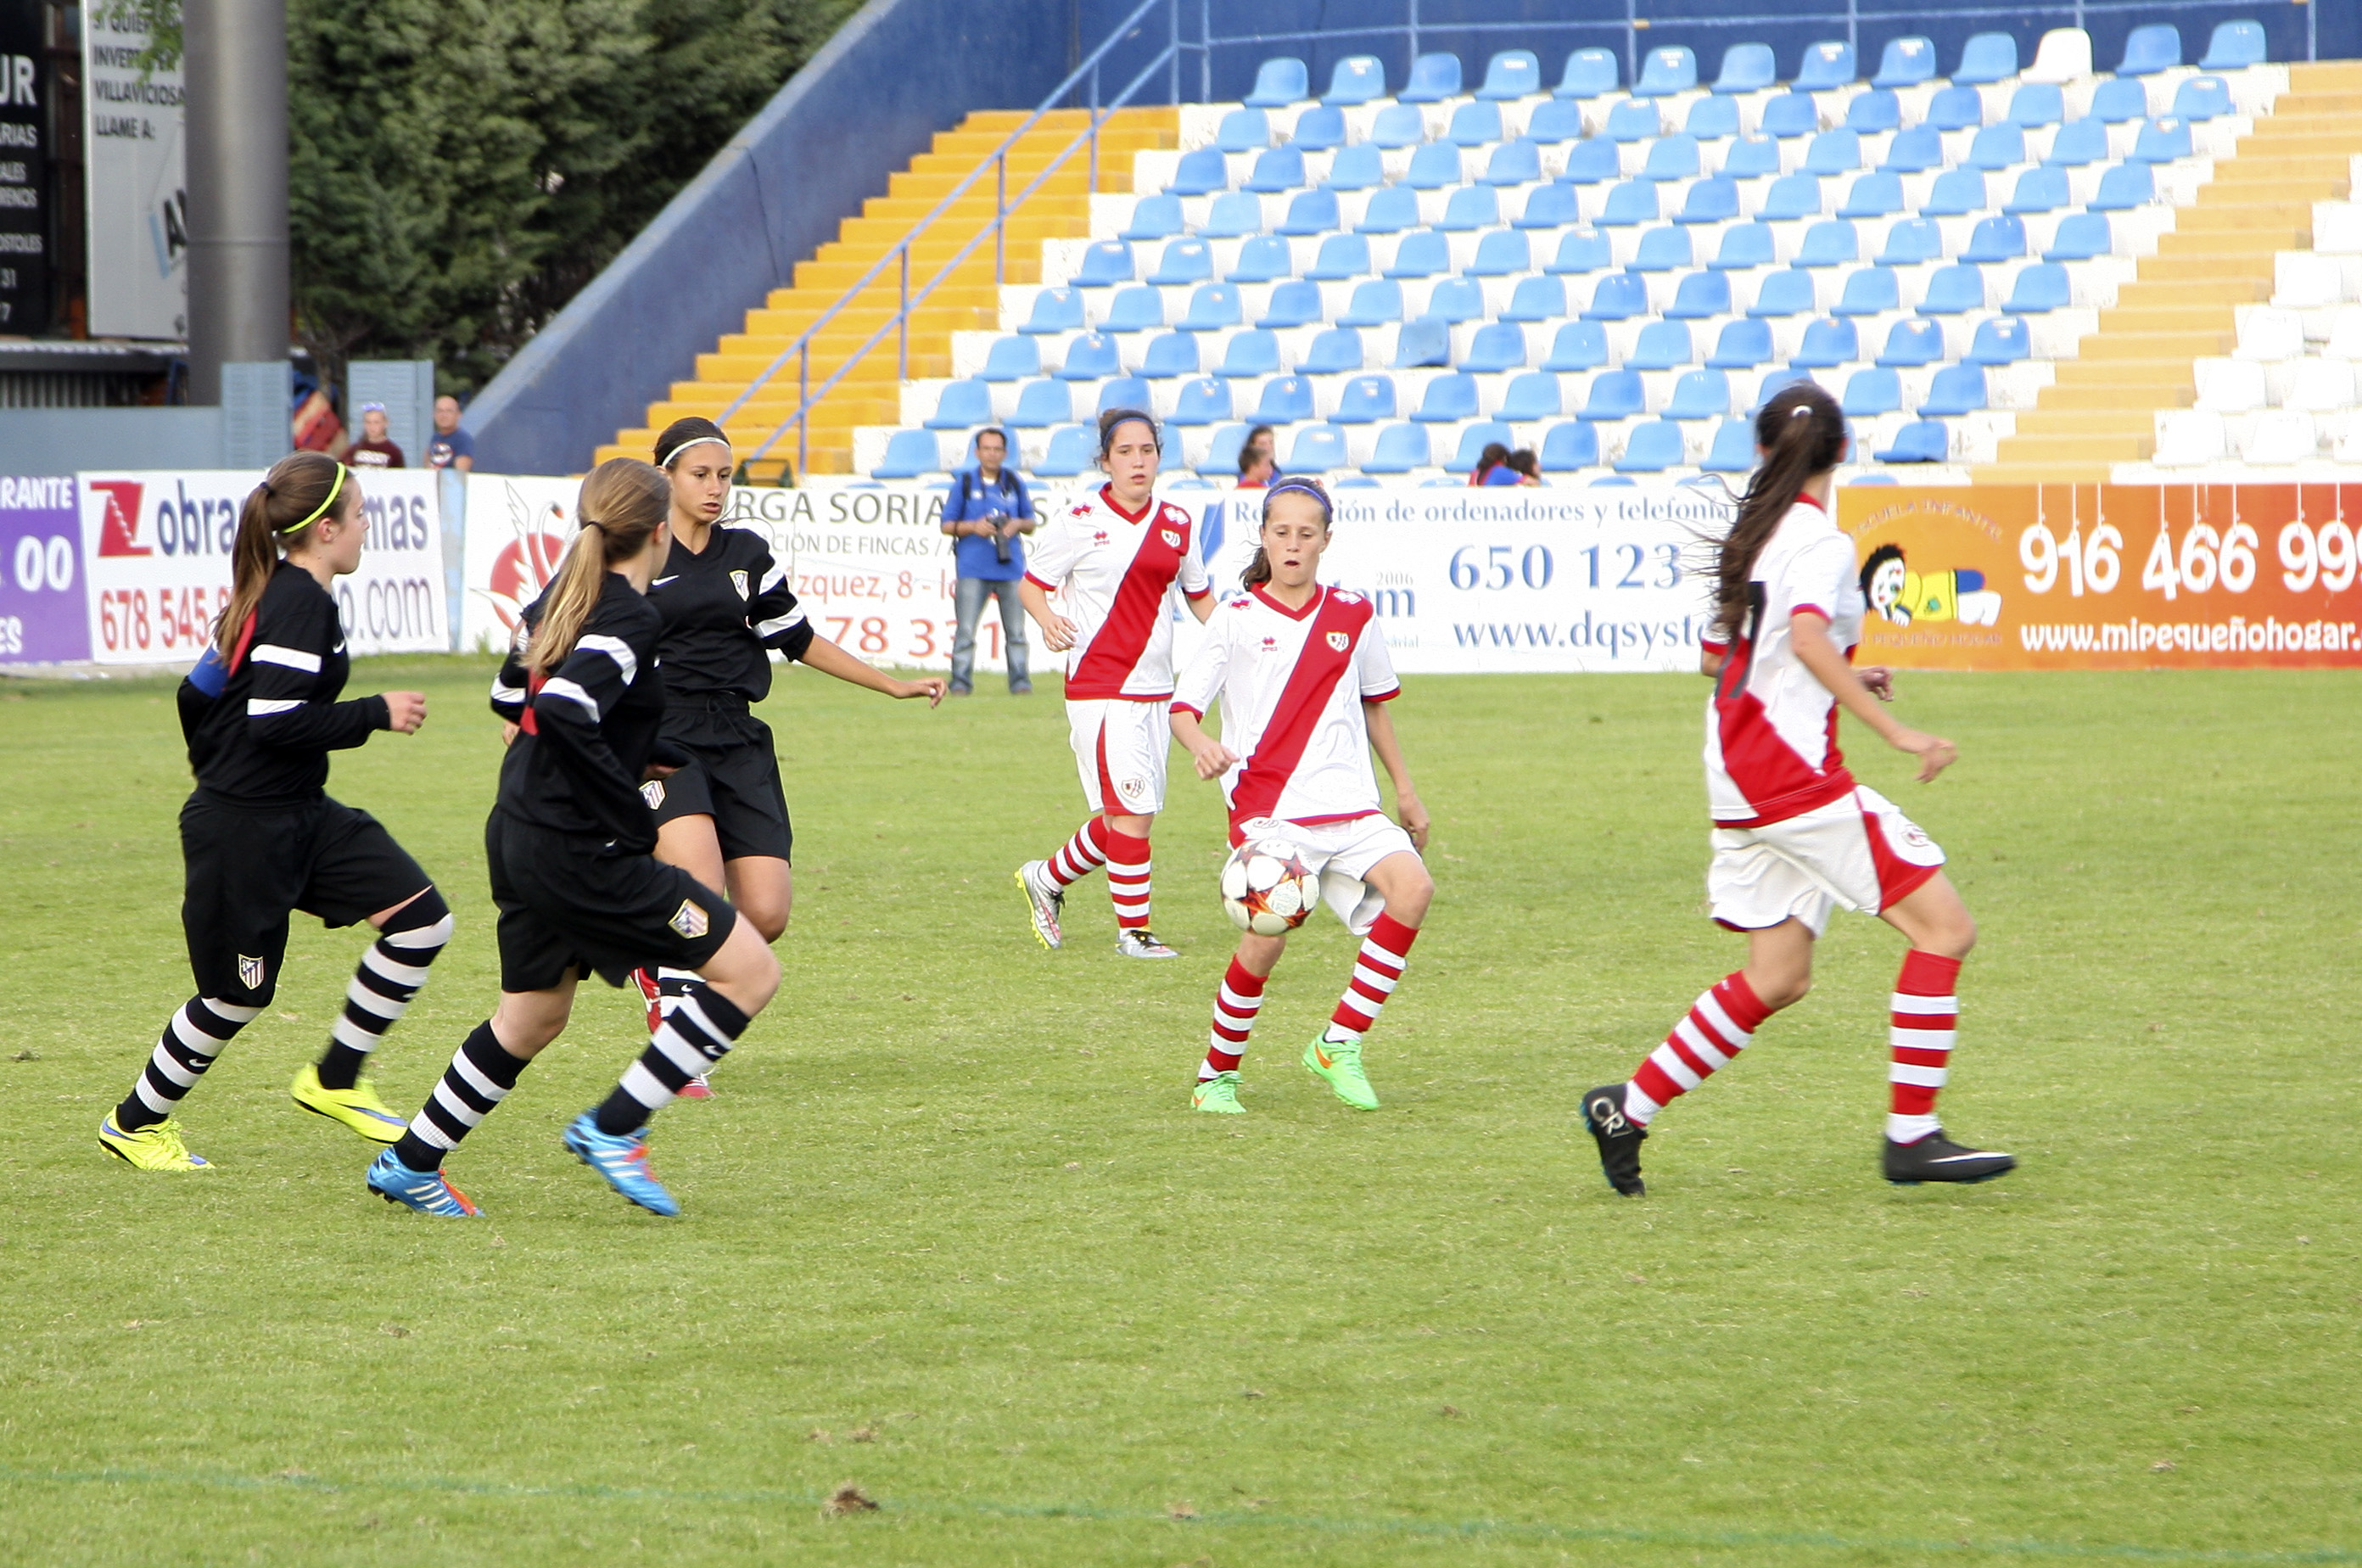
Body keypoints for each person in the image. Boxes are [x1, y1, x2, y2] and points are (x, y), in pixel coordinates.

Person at [1578, 384, 2012, 1196]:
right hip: (1789, 777)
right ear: (1843, 453)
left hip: (1736, 774)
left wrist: (1843, 675)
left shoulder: (1757, 536)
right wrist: (1898, 732)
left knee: (1778, 976)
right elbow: (1806, 636)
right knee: (1944, 930)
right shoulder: (1819, 541)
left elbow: (1723, 657)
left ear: (1764, 452)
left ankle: (1625, 1109)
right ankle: (1911, 1136)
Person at [366, 460, 782, 1218]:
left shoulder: (557, 598)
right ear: (659, 532)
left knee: (532, 1016)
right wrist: (624, 804)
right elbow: (562, 709)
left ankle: (410, 1160)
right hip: (581, 849)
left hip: (519, 833)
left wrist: (636, 746)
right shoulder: (629, 615)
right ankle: (615, 1128)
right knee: (750, 973)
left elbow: (509, 695)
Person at [98, 452, 445, 1172]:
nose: (366, 526)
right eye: (359, 514)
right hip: (244, 829)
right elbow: (275, 721)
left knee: (421, 919)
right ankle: (134, 1124)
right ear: (325, 532)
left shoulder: (269, 593)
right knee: (233, 996)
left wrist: (218, 764)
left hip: (297, 812)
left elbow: (195, 696)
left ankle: (336, 1078)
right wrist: (374, 712)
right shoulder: (296, 602)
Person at [633, 417, 944, 1095]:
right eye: (700, 474)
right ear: (666, 478)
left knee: (767, 913)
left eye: (724, 475)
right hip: (662, 739)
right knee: (699, 881)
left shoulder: (746, 553)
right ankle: (677, 1037)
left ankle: (661, 960)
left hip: (738, 737)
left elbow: (797, 639)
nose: (716, 488)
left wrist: (892, 683)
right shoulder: (635, 553)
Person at [1169, 478, 1432, 1115]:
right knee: (1267, 939)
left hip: (1351, 803)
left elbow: (1376, 708)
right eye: (1280, 532)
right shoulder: (1234, 619)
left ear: (1325, 541)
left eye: (1305, 534)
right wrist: (1202, 744)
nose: (1292, 544)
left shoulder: (1354, 613)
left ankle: (1338, 1044)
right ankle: (1216, 1078)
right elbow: (1182, 709)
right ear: (1264, 536)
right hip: (1271, 811)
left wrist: (1405, 789)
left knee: (1415, 889)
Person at [1013, 408, 1213, 959]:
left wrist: (1232, 640)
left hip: (1156, 690)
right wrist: (1048, 619)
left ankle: (1046, 878)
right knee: (1135, 813)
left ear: (1159, 456)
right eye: (1125, 452)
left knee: (1124, 815)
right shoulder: (1078, 518)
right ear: (1105, 460)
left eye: (1147, 450)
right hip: (1101, 687)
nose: (1137, 461)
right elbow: (1033, 585)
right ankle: (1134, 933)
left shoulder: (1177, 522)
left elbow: (1198, 596)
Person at [940, 426, 1035, 697]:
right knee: (966, 629)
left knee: (1016, 631)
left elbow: (1030, 522)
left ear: (1005, 453)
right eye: (987, 449)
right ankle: (960, 681)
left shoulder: (1015, 482)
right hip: (973, 567)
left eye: (997, 449)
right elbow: (947, 525)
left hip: (1011, 567)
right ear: (977, 452)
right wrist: (974, 527)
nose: (992, 454)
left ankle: (1020, 682)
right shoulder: (965, 483)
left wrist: (1015, 523)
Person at [344, 404, 405, 469]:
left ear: (386, 423)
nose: (372, 427)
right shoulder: (354, 450)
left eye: (376, 422)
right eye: (368, 422)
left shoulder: (394, 452)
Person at [425, 395, 474, 473]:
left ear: (458, 415)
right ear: (434, 415)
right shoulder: (435, 437)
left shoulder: (463, 439)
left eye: (449, 411)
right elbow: (427, 464)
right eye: (439, 411)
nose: (444, 415)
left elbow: (461, 473)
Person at [1236, 424, 1277, 488]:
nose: (1268, 447)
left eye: (1271, 443)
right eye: (1262, 444)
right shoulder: (1245, 485)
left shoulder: (1276, 472)